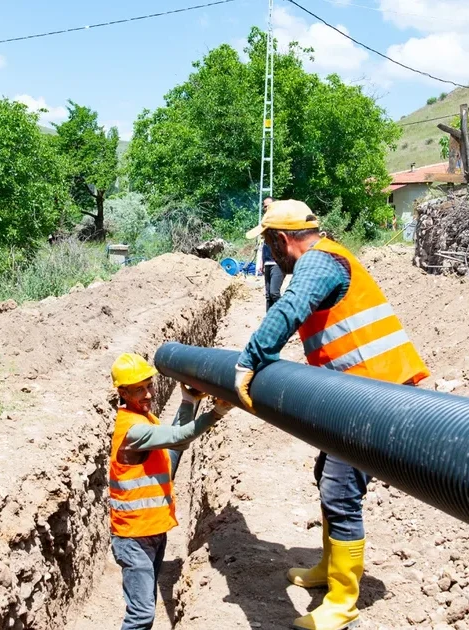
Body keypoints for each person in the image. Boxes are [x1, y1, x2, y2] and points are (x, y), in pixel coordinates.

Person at [232, 200, 430, 630]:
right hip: (355, 391)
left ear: (281, 240)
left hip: (376, 395)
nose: (269, 255)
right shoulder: (325, 258)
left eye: (268, 244)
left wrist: (250, 359)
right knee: (327, 474)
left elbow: (289, 309)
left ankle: (343, 602)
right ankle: (328, 567)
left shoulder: (319, 264)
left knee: (341, 490)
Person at [109, 353, 232, 630]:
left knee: (145, 606)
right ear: (123, 392)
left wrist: (189, 402)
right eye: (139, 389)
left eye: (150, 385)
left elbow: (173, 451)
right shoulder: (133, 430)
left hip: (152, 533)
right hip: (134, 540)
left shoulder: (144, 418)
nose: (149, 394)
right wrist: (217, 413)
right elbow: (179, 437)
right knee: (141, 615)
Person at [260, 197, 284, 311]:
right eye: (264, 206)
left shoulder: (281, 221)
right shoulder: (264, 222)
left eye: (268, 205)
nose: (266, 208)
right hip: (267, 262)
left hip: (278, 262)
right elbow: (263, 243)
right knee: (268, 296)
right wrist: (261, 262)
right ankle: (269, 322)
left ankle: (288, 314)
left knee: (274, 293)